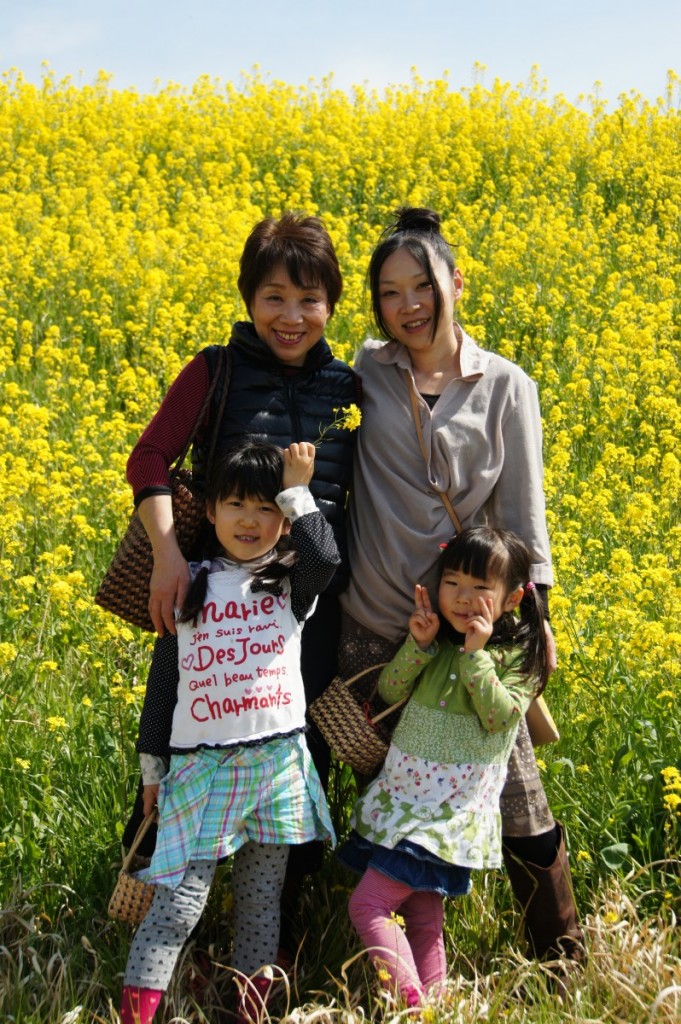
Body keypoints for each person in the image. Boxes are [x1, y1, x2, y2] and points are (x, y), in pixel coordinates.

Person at [338, 207, 582, 967]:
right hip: (370, 624)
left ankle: (559, 963)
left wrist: (529, 617)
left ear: (456, 283)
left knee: (514, 796)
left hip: (463, 637)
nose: (407, 305)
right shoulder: (366, 369)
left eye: (422, 286)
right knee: (383, 797)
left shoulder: (507, 384)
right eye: (389, 292)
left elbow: (521, 512)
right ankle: (370, 957)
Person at [122, 212, 359, 960]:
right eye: (274, 297)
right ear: (248, 297)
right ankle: (154, 941)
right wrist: (167, 554)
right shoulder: (215, 370)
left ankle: (273, 948)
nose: (291, 317)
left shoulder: (349, 387)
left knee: (298, 762)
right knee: (178, 745)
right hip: (208, 601)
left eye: (309, 299)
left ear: (332, 304)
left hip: (305, 610)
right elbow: (150, 458)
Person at [120, 440, 339, 1024]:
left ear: (284, 520)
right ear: (211, 511)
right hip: (201, 772)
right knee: (177, 906)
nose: (250, 520)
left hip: (275, 769)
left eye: (266, 509)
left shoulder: (290, 586)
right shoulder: (187, 584)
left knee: (261, 903)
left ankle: (250, 1009)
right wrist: (152, 769)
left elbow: (326, 559)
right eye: (236, 504)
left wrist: (298, 489)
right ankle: (136, 1013)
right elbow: (162, 687)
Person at [339, 528, 549, 1006]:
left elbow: (499, 718)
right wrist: (418, 643)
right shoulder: (438, 644)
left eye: (480, 588)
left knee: (367, 904)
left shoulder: (515, 656)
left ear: (512, 597)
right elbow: (390, 691)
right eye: (452, 583)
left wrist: (476, 658)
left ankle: (411, 1007)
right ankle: (435, 1006)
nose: (463, 598)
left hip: (446, 816)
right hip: (405, 802)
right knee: (423, 914)